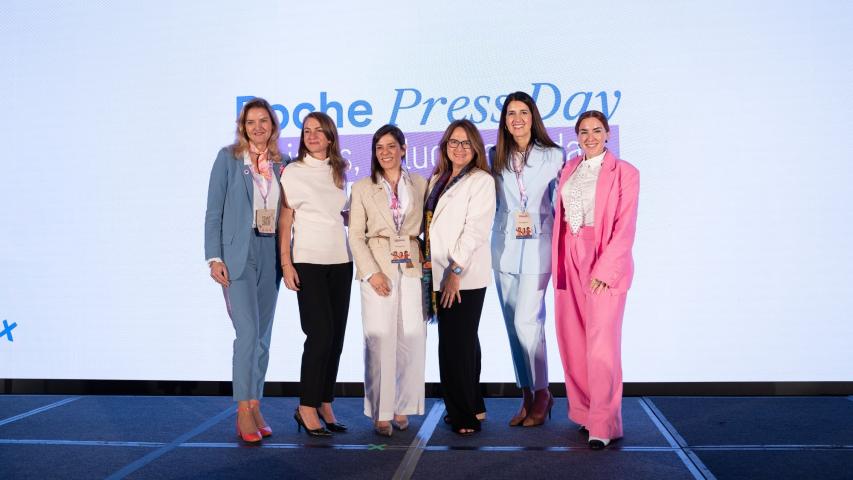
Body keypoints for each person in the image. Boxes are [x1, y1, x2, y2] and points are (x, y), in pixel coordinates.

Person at [552, 110, 639, 450]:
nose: (590, 136)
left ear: (607, 134)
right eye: (584, 131)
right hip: (568, 256)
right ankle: (586, 413)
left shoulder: (626, 173)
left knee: (602, 343)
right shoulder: (569, 168)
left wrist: (605, 270)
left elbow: (625, 226)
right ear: (576, 136)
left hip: (601, 259)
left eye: (597, 130)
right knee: (573, 339)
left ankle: (604, 422)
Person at [204, 97, 286, 443]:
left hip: (270, 251)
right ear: (243, 127)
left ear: (272, 126)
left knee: (263, 338)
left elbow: (288, 213)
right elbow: (214, 210)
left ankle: (255, 403)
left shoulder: (283, 164)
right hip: (238, 253)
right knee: (248, 334)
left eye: (263, 121)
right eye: (251, 122)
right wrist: (214, 257)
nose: (257, 127)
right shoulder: (228, 158)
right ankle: (241, 410)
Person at [489, 91, 564, 427]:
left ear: (533, 117)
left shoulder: (554, 155)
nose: (516, 118)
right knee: (512, 324)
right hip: (503, 247)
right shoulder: (495, 156)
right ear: (504, 121)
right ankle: (527, 393)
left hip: (538, 245)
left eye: (523, 112)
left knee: (527, 320)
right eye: (510, 113)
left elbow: (565, 202)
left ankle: (543, 390)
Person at [349, 124, 428, 437]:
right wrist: (371, 272)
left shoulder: (420, 183)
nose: (385, 152)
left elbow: (429, 225)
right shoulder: (361, 187)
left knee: (411, 337)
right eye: (379, 147)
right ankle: (380, 411)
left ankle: (402, 406)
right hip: (377, 265)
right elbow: (355, 235)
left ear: (404, 148)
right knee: (380, 339)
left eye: (391, 146)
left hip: (410, 264)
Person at [279, 112, 352, 437]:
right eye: (306, 131)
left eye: (318, 131)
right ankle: (306, 406)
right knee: (319, 334)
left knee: (335, 339)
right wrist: (286, 263)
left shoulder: (340, 171)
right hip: (307, 261)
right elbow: (285, 221)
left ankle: (325, 401)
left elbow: (342, 216)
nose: (312, 136)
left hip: (341, 261)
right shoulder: (292, 172)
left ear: (330, 137)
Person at [423, 119, 496, 435]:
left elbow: (475, 230)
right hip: (438, 271)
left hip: (461, 275)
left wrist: (454, 271)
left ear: (476, 147)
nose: (460, 148)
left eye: (466, 143)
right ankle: (474, 406)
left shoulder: (481, 180)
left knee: (455, 346)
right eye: (454, 142)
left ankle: (463, 415)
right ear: (445, 146)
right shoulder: (439, 178)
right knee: (465, 343)